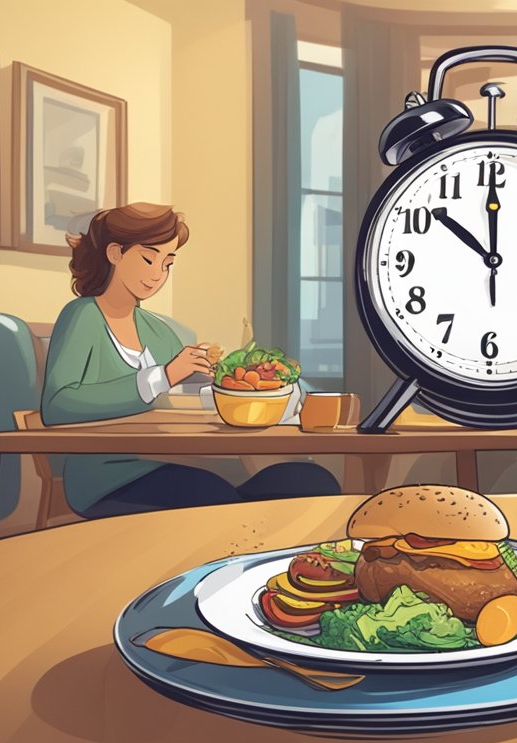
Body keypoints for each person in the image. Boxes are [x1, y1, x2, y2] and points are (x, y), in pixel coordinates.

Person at [41, 202, 339, 518]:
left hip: (175, 463)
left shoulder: (157, 330)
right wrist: (163, 376)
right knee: (217, 500)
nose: (158, 274)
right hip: (107, 478)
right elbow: (58, 404)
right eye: (148, 259)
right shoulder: (83, 317)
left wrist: (217, 375)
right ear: (115, 254)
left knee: (311, 482)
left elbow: (188, 397)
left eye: (167, 264)